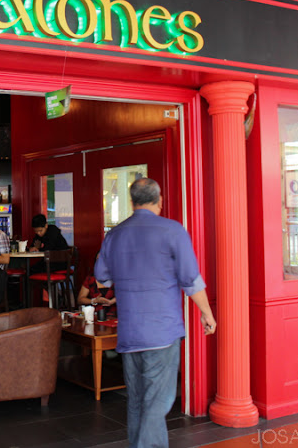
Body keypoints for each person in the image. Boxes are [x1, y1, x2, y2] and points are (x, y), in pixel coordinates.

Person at [95, 178, 216, 448]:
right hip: (162, 331)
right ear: (160, 200)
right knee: (157, 402)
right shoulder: (172, 231)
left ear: (132, 202)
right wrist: (206, 313)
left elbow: (102, 277)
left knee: (137, 401)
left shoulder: (115, 235)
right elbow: (191, 279)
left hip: (129, 333)